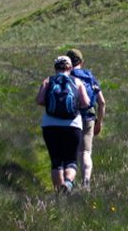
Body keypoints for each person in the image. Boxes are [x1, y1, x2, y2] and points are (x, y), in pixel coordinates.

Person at [36, 55, 90, 195]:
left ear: (55, 67)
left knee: (56, 161)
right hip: (73, 125)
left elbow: (40, 100)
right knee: (71, 160)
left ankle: (59, 195)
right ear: (70, 67)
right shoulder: (77, 82)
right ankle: (68, 182)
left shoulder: (48, 81)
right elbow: (86, 102)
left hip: (50, 125)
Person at [66, 48, 106, 188]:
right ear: (82, 62)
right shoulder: (90, 77)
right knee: (86, 152)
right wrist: (99, 123)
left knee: (70, 153)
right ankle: (86, 183)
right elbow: (102, 102)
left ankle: (67, 183)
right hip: (89, 117)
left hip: (70, 119)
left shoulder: (66, 77)